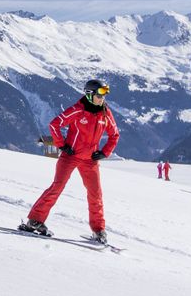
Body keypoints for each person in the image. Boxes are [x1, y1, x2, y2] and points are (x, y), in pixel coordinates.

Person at [20, 79, 120, 244]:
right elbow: (55, 125)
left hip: (90, 161)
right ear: (90, 94)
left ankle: (99, 231)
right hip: (71, 156)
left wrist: (104, 152)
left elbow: (114, 134)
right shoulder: (78, 109)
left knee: (96, 195)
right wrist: (62, 145)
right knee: (57, 187)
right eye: (100, 93)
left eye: (105, 93)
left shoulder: (105, 112)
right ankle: (35, 221)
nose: (103, 97)